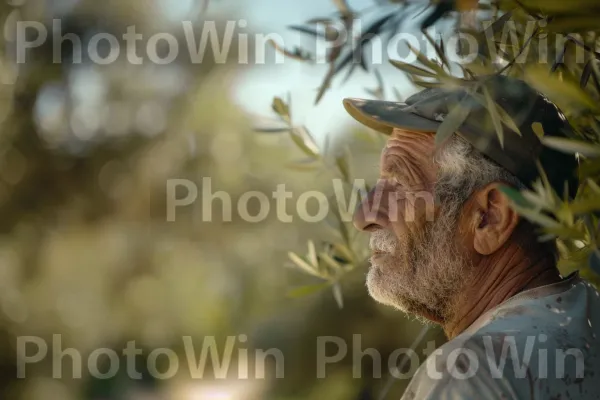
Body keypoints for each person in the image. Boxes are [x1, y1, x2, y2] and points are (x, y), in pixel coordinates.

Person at [343, 75, 600, 399]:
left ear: (490, 217)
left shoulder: (467, 374)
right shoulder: (590, 316)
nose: (363, 216)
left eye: (399, 184)